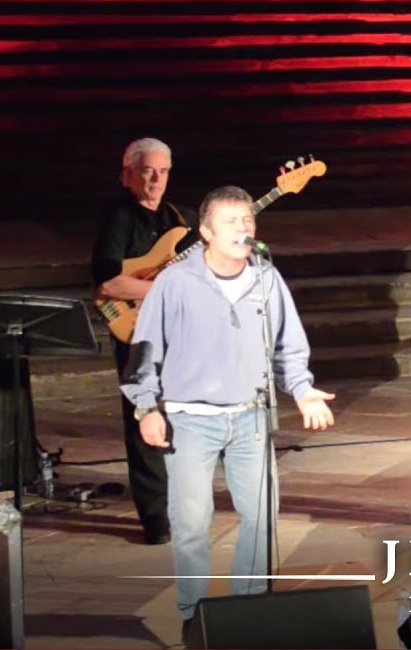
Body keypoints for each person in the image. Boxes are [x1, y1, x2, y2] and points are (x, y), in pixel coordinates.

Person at [120, 185, 335, 634]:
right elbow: (144, 349)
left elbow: (288, 346)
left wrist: (303, 389)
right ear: (206, 232)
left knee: (261, 518)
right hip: (190, 419)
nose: (244, 229)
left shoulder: (266, 277)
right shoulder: (176, 282)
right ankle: (192, 617)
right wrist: (146, 408)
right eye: (232, 222)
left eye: (248, 221)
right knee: (192, 524)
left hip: (251, 416)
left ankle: (248, 610)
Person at [91, 137, 198, 545]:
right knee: (145, 420)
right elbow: (107, 282)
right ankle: (156, 519)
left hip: (182, 333)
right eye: (148, 171)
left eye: (163, 171)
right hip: (137, 331)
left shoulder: (183, 218)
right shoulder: (118, 217)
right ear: (128, 174)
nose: (156, 179)